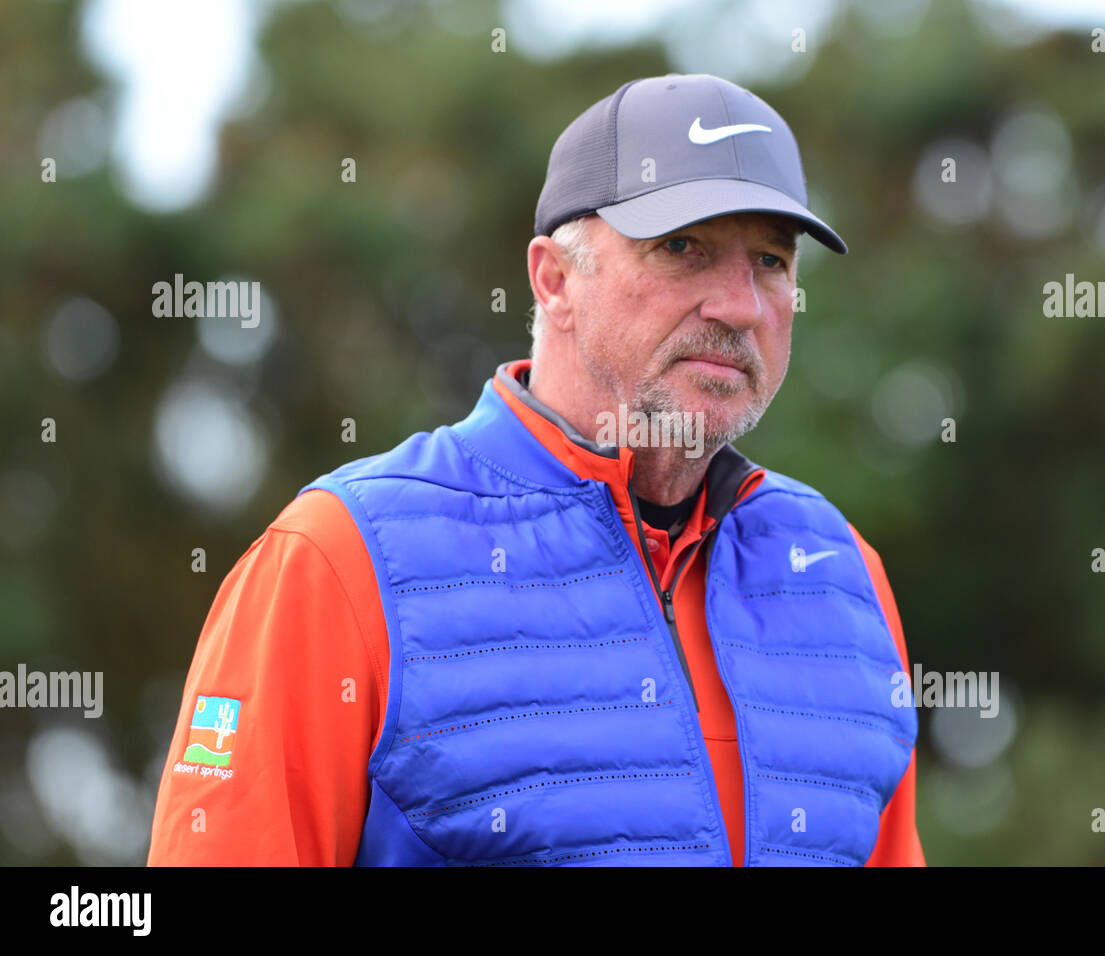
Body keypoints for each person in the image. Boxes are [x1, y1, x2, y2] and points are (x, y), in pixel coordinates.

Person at [147, 72, 923, 867]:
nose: (740, 306)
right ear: (555, 280)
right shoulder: (337, 558)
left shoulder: (843, 574)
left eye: (769, 260)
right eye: (682, 247)